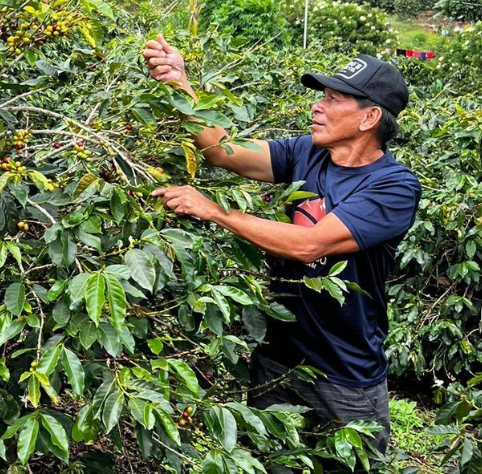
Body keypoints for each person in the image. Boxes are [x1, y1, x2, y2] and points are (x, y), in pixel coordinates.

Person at [142, 35, 420, 452]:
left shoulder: (394, 186)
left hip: (344, 374)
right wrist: (180, 83)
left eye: (333, 99)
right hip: (279, 358)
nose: (317, 106)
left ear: (369, 118)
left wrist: (218, 212)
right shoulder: (305, 151)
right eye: (321, 96)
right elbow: (223, 151)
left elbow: (310, 244)